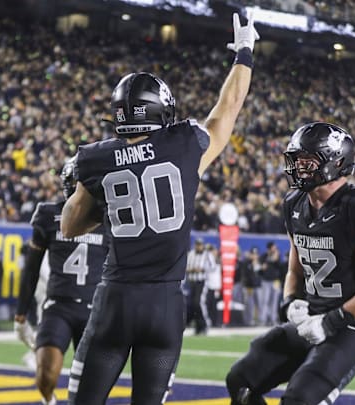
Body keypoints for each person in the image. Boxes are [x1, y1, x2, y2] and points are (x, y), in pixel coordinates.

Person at [59, 12, 259, 404]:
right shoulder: (184, 145)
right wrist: (245, 53)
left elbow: (69, 225)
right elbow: (229, 105)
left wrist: (103, 199)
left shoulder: (94, 159)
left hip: (115, 300)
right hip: (165, 305)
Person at [226, 122, 355, 404]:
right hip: (312, 318)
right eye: (296, 161)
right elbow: (296, 266)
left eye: (307, 162)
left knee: (301, 398)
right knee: (241, 380)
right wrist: (290, 301)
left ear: (335, 162)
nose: (298, 168)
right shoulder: (295, 203)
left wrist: (332, 322)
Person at [14, 156, 108, 405]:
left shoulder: (108, 218)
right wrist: (21, 314)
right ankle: (50, 402)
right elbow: (31, 269)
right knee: (46, 373)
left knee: (92, 386)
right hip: (58, 306)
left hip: (94, 310)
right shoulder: (48, 214)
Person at [185, 237, 215, 335]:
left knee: (199, 303)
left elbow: (213, 267)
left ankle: (205, 324)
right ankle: (198, 327)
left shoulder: (207, 255)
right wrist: (191, 269)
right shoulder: (191, 254)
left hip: (202, 282)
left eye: (200, 244)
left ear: (203, 245)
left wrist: (202, 269)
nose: (198, 246)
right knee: (193, 304)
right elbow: (186, 267)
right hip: (192, 282)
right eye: (197, 244)